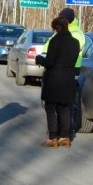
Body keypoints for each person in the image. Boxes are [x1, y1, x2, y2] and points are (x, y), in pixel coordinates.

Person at [35, 17, 79, 148]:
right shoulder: (75, 42)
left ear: (55, 28)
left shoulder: (54, 41)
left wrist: (39, 59)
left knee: (51, 108)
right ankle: (65, 137)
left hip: (54, 79)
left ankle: (53, 138)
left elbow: (49, 62)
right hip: (68, 78)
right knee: (65, 108)